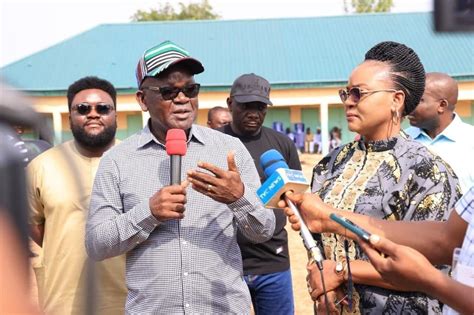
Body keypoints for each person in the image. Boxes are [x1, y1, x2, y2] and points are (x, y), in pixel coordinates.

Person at [85, 41, 275, 314]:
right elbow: (96, 245)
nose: (183, 99)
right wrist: (148, 213)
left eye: (190, 89)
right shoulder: (117, 161)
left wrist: (239, 199)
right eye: (168, 91)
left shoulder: (229, 151)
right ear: (142, 100)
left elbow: (264, 231)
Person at [284, 41, 461, 314]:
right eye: (346, 92)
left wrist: (341, 271)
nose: (348, 101)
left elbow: (432, 268)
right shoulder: (329, 165)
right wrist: (324, 285)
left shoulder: (428, 171)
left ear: (396, 100)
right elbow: (316, 242)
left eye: (359, 93)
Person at [279, 186, 474, 315]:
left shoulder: (427, 167)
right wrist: (326, 218)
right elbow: (446, 239)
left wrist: (429, 281)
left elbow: (439, 260)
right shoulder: (329, 163)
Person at [27, 76, 127, 314]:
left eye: (103, 108)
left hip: (128, 301)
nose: (93, 114)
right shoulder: (42, 166)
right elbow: (37, 228)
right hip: (63, 301)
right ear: (70, 115)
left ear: (115, 114)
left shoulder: (135, 162)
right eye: (83, 109)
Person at [220, 73, 301, 314]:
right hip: (226, 262)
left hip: (273, 262)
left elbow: (297, 198)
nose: (254, 113)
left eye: (261, 107)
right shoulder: (214, 143)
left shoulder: (282, 144)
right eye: (246, 106)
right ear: (230, 103)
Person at [405, 72, 474, 193]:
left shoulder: (470, 141)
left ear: (442, 105)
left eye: (419, 100)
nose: (409, 106)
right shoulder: (402, 141)